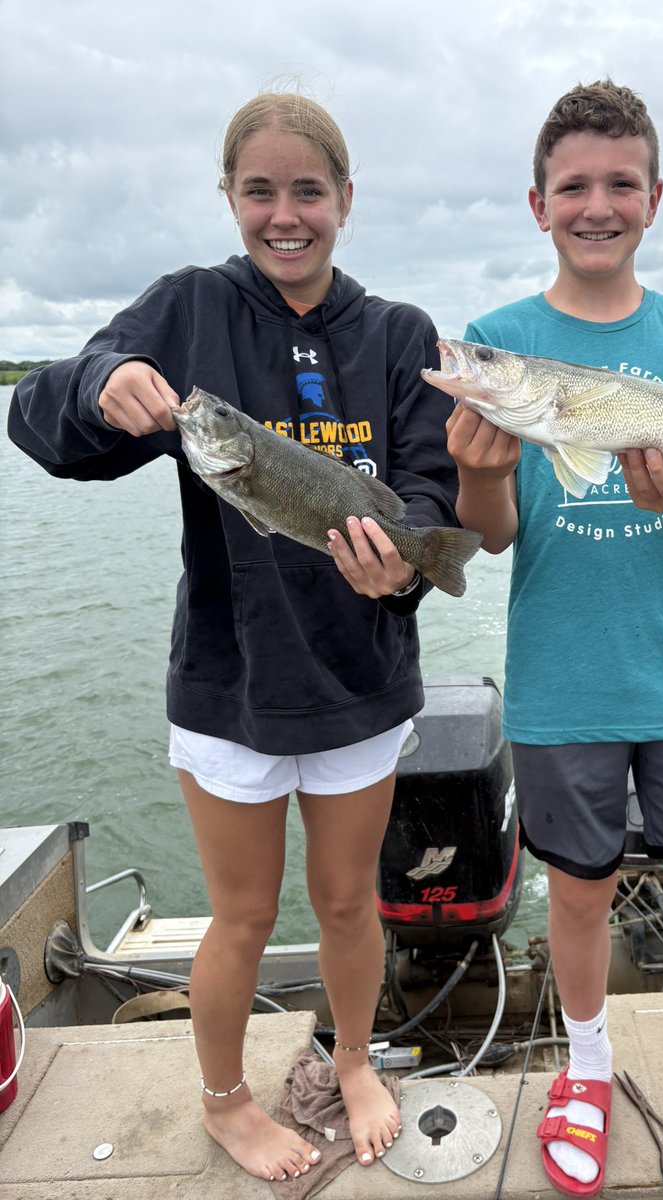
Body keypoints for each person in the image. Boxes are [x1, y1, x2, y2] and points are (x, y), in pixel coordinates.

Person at [9, 90, 464, 1184]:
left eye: (308, 190)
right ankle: (223, 1101)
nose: (284, 214)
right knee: (243, 916)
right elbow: (38, 420)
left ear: (345, 198)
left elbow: (428, 489)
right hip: (230, 684)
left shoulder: (398, 333)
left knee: (349, 903)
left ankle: (352, 1059)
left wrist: (406, 561)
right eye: (259, 191)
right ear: (228, 196)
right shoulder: (190, 310)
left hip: (360, 682)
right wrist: (100, 384)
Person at [446, 79, 663, 1198]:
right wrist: (475, 470)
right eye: (572, 187)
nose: (596, 205)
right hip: (562, 679)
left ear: (654, 197)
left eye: (620, 184)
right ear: (537, 204)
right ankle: (587, 1068)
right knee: (579, 894)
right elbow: (493, 535)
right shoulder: (503, 341)